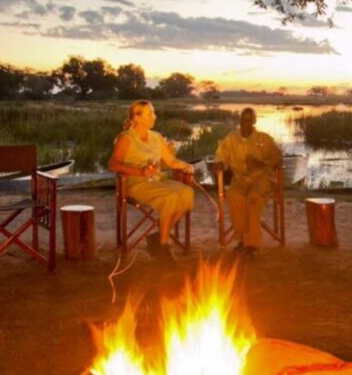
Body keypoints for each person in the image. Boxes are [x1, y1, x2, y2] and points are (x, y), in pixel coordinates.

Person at [108, 101, 194, 258]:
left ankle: (159, 235)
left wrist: (187, 166)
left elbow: (171, 161)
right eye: (150, 113)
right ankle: (163, 248)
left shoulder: (157, 137)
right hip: (135, 183)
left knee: (187, 193)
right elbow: (113, 164)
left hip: (157, 181)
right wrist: (140, 171)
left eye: (153, 113)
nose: (155, 116)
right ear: (137, 117)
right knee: (171, 197)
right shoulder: (126, 138)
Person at [212, 107, 283, 256]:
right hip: (239, 179)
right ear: (239, 121)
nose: (245, 123)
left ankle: (251, 244)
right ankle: (242, 239)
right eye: (243, 119)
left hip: (261, 178)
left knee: (253, 198)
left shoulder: (264, 139)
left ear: (254, 121)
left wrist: (262, 163)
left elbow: (278, 157)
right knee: (234, 196)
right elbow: (221, 156)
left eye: (249, 120)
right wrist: (219, 163)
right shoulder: (231, 139)